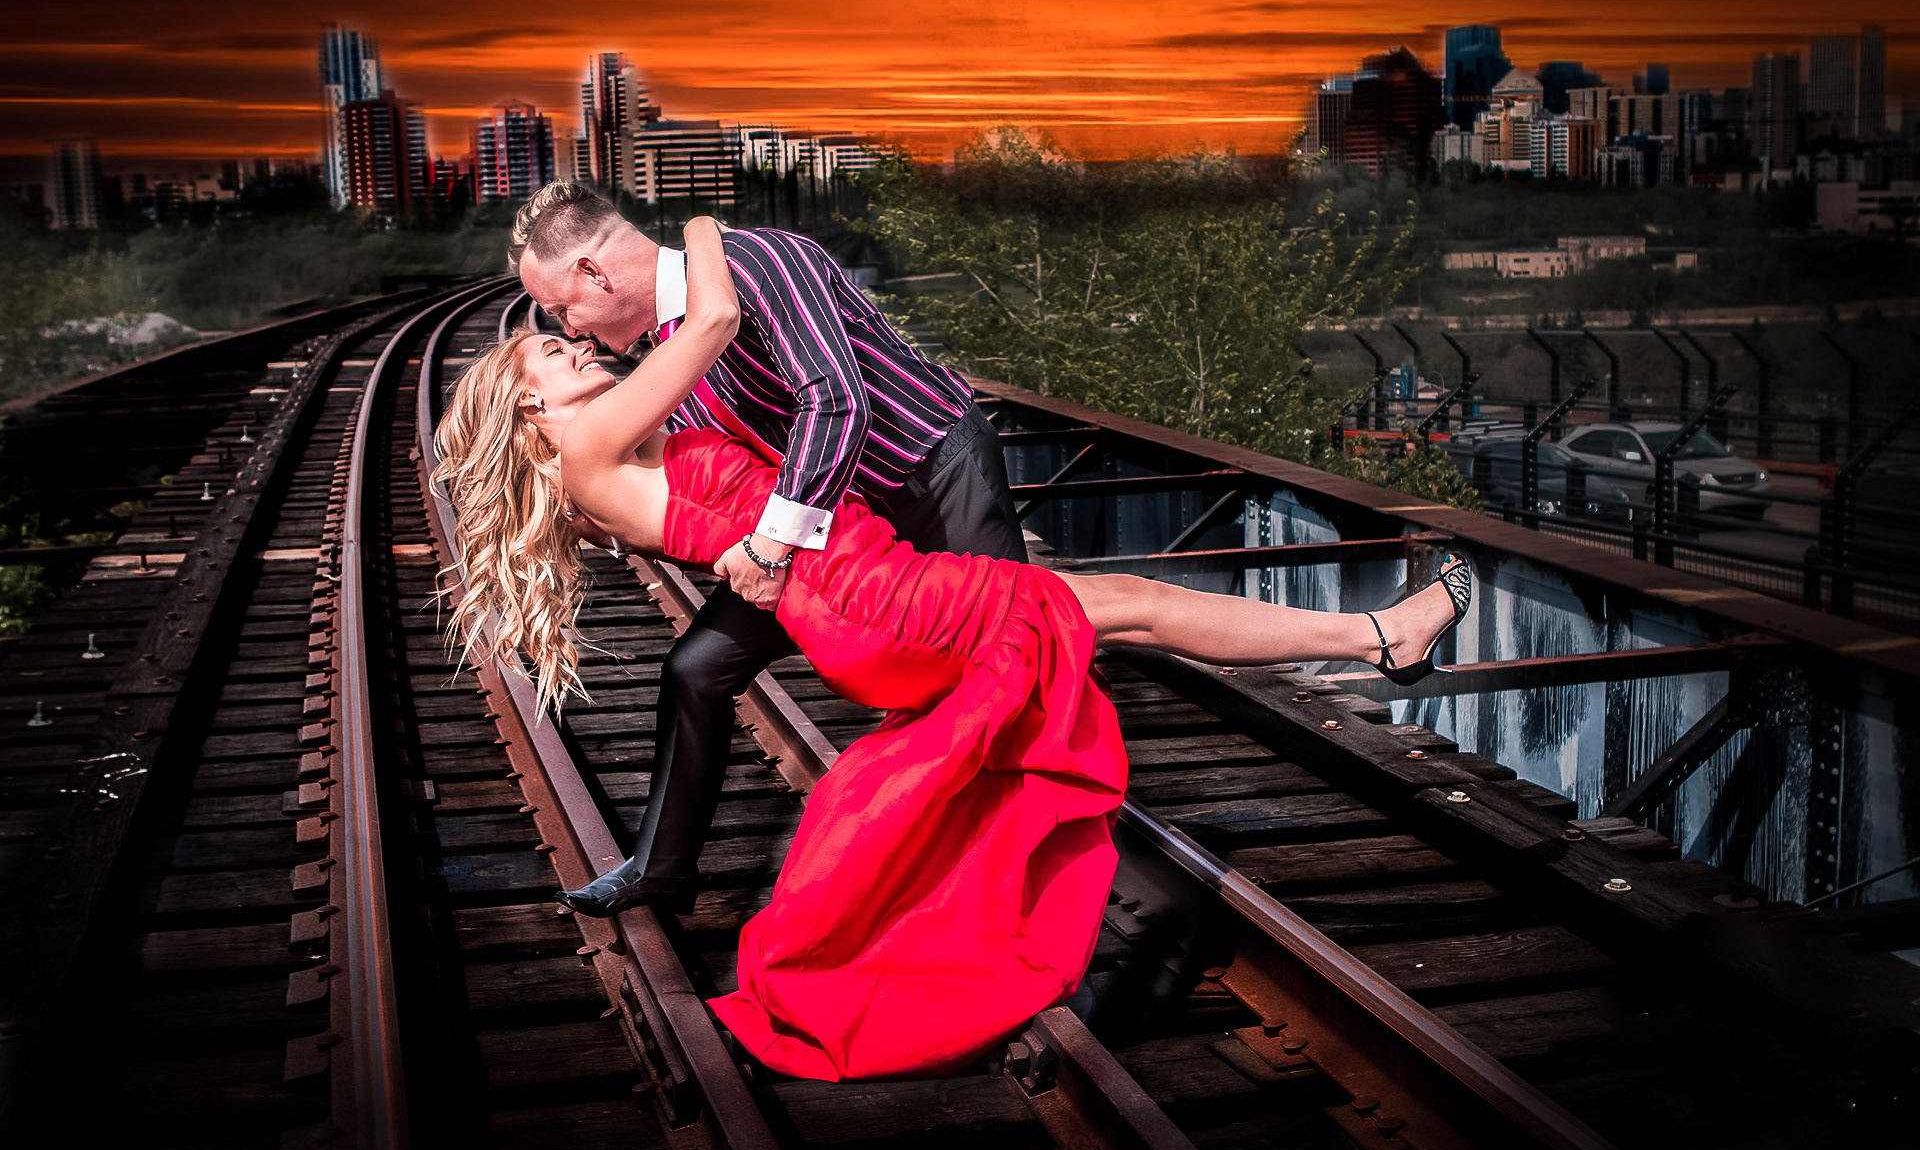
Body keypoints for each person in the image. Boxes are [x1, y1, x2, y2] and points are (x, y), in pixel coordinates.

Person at [434, 230, 1473, 1082]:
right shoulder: (591, 442)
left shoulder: (605, 446)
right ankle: (1382, 638)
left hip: (861, 594)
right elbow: (710, 317)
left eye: (567, 333)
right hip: (877, 601)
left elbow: (764, 397)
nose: (576, 347)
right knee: (1130, 607)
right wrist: (701, 229)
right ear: (531, 408)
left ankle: (1376, 643)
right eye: (556, 356)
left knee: (1116, 618)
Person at [510, 183, 1024, 918]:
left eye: (562, 310)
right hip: (833, 524)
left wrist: (771, 548)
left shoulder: (757, 262)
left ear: (595, 273)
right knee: (695, 669)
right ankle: (661, 868)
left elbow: (837, 400)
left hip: (930, 469)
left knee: (1003, 657)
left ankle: (1016, 861)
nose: (575, 331)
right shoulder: (671, 349)